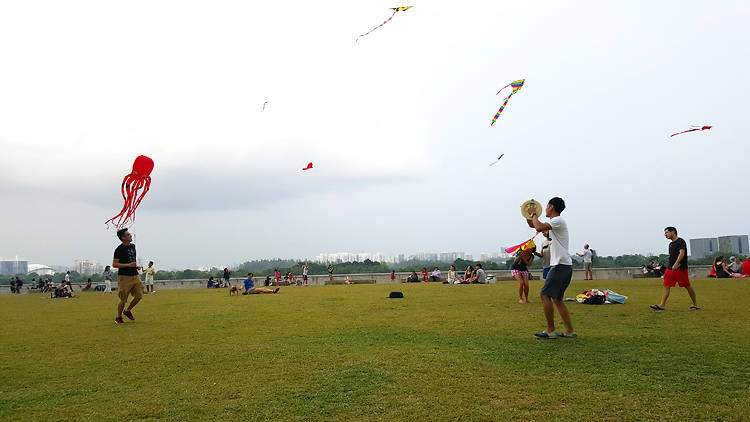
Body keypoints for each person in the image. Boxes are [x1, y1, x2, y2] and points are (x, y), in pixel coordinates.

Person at [527, 197, 576, 339]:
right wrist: (529, 215)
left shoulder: (558, 220)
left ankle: (550, 330)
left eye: (547, 206)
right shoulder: (556, 224)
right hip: (565, 266)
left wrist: (534, 215)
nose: (546, 208)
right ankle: (569, 331)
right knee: (557, 299)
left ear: (551, 207)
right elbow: (534, 226)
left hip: (559, 265)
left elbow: (538, 226)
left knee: (544, 295)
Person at [650, 227, 699, 311]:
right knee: (666, 285)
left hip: (680, 269)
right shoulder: (671, 244)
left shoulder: (680, 241)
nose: (665, 235)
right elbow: (672, 256)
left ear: (673, 232)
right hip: (670, 269)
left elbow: (682, 253)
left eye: (667, 232)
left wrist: (676, 264)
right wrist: (671, 265)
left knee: (687, 286)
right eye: (665, 233)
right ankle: (662, 305)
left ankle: (695, 304)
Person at [113, 227, 144, 324]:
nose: (130, 236)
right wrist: (128, 265)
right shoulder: (119, 249)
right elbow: (115, 264)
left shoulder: (133, 246)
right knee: (123, 299)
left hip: (135, 275)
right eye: (128, 235)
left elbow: (131, 260)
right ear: (123, 238)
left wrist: (136, 267)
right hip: (124, 277)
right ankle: (118, 317)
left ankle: (127, 311)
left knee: (139, 296)